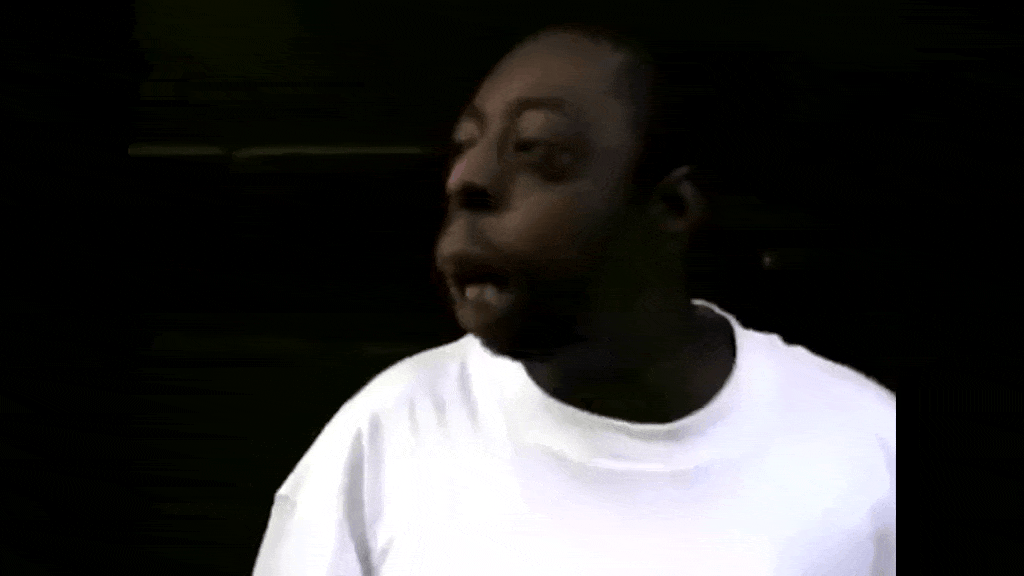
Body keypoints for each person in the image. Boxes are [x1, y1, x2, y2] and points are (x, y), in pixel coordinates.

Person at [252, 23, 895, 576]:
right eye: (465, 146)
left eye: (538, 151)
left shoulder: (863, 448)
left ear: (671, 207)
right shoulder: (389, 435)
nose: (466, 179)